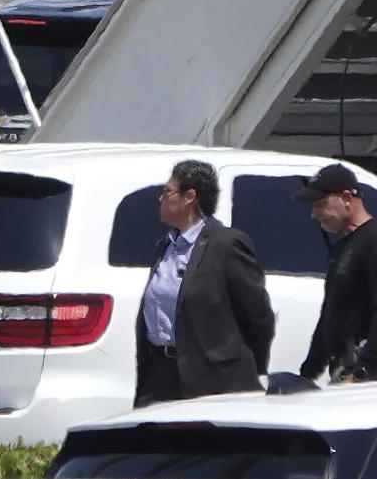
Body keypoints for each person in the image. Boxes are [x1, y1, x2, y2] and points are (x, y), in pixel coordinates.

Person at [134, 160, 275, 407]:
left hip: (212, 380)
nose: (160, 199)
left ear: (190, 197)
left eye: (167, 191)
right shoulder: (165, 246)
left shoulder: (226, 244)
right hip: (160, 376)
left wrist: (248, 364)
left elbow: (258, 316)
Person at [294, 163, 377, 383]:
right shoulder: (341, 249)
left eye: (321, 204)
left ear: (347, 198)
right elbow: (331, 313)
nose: (314, 214)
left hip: (365, 378)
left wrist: (365, 369)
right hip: (344, 369)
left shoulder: (372, 240)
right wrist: (308, 373)